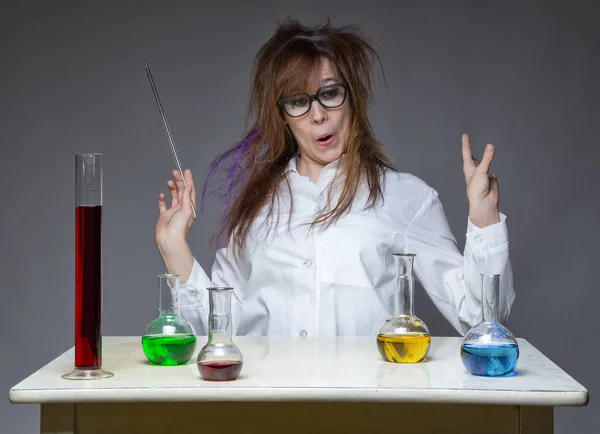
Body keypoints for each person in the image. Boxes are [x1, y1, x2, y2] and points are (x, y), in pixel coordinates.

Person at [154, 19, 515, 337]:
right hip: (268, 408)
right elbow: (216, 332)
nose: (318, 116)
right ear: (283, 116)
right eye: (298, 101)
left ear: (351, 97)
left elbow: (480, 318)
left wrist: (484, 219)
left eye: (329, 94)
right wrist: (174, 245)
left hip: (362, 407)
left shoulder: (405, 197)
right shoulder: (257, 206)